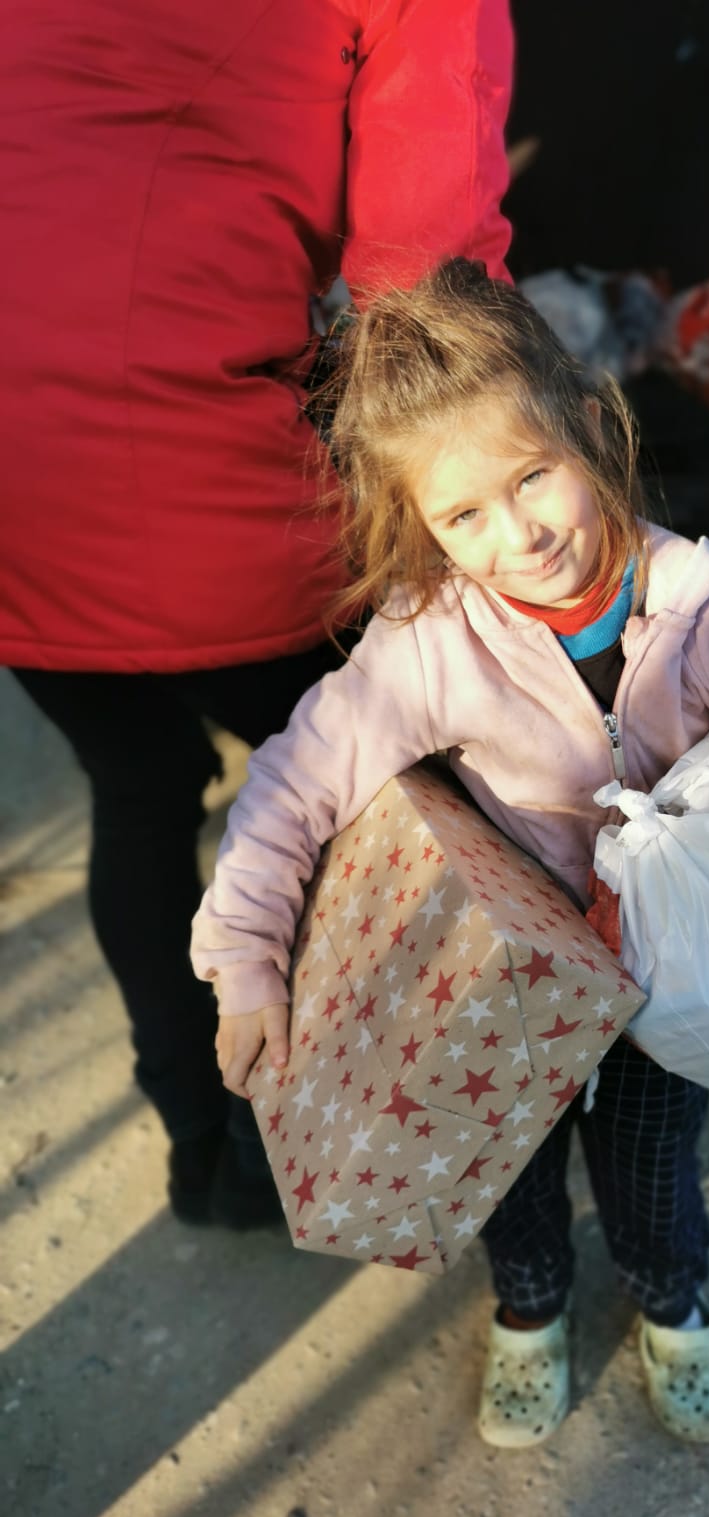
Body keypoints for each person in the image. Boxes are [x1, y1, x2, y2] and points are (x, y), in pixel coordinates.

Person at [190, 260, 709, 1447]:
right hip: (518, 989)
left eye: (532, 475)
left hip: (670, 983)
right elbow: (293, 783)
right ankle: (531, 1305)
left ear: (592, 427)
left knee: (653, 1161)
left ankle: (670, 1299)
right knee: (512, 1164)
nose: (520, 533)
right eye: (463, 516)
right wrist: (246, 960)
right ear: (422, 524)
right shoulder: (430, 645)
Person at [0, 2, 513, 1226]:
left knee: (135, 788)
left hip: (18, 498)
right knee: (370, 813)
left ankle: (199, 1144)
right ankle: (292, 1144)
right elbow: (427, 278)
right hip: (207, 483)